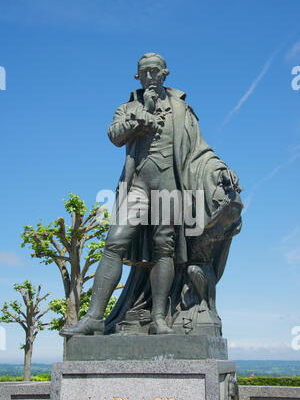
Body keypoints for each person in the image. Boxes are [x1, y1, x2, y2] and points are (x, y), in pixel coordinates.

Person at [60, 52, 241, 338]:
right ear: (137, 76)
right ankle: (94, 318)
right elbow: (113, 134)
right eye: (143, 73)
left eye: (154, 71)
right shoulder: (128, 107)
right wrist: (137, 120)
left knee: (163, 248)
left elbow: (201, 150)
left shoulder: (182, 111)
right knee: (115, 241)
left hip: (169, 185)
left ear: (164, 73)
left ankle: (158, 318)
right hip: (136, 186)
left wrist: (220, 169)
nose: (149, 77)